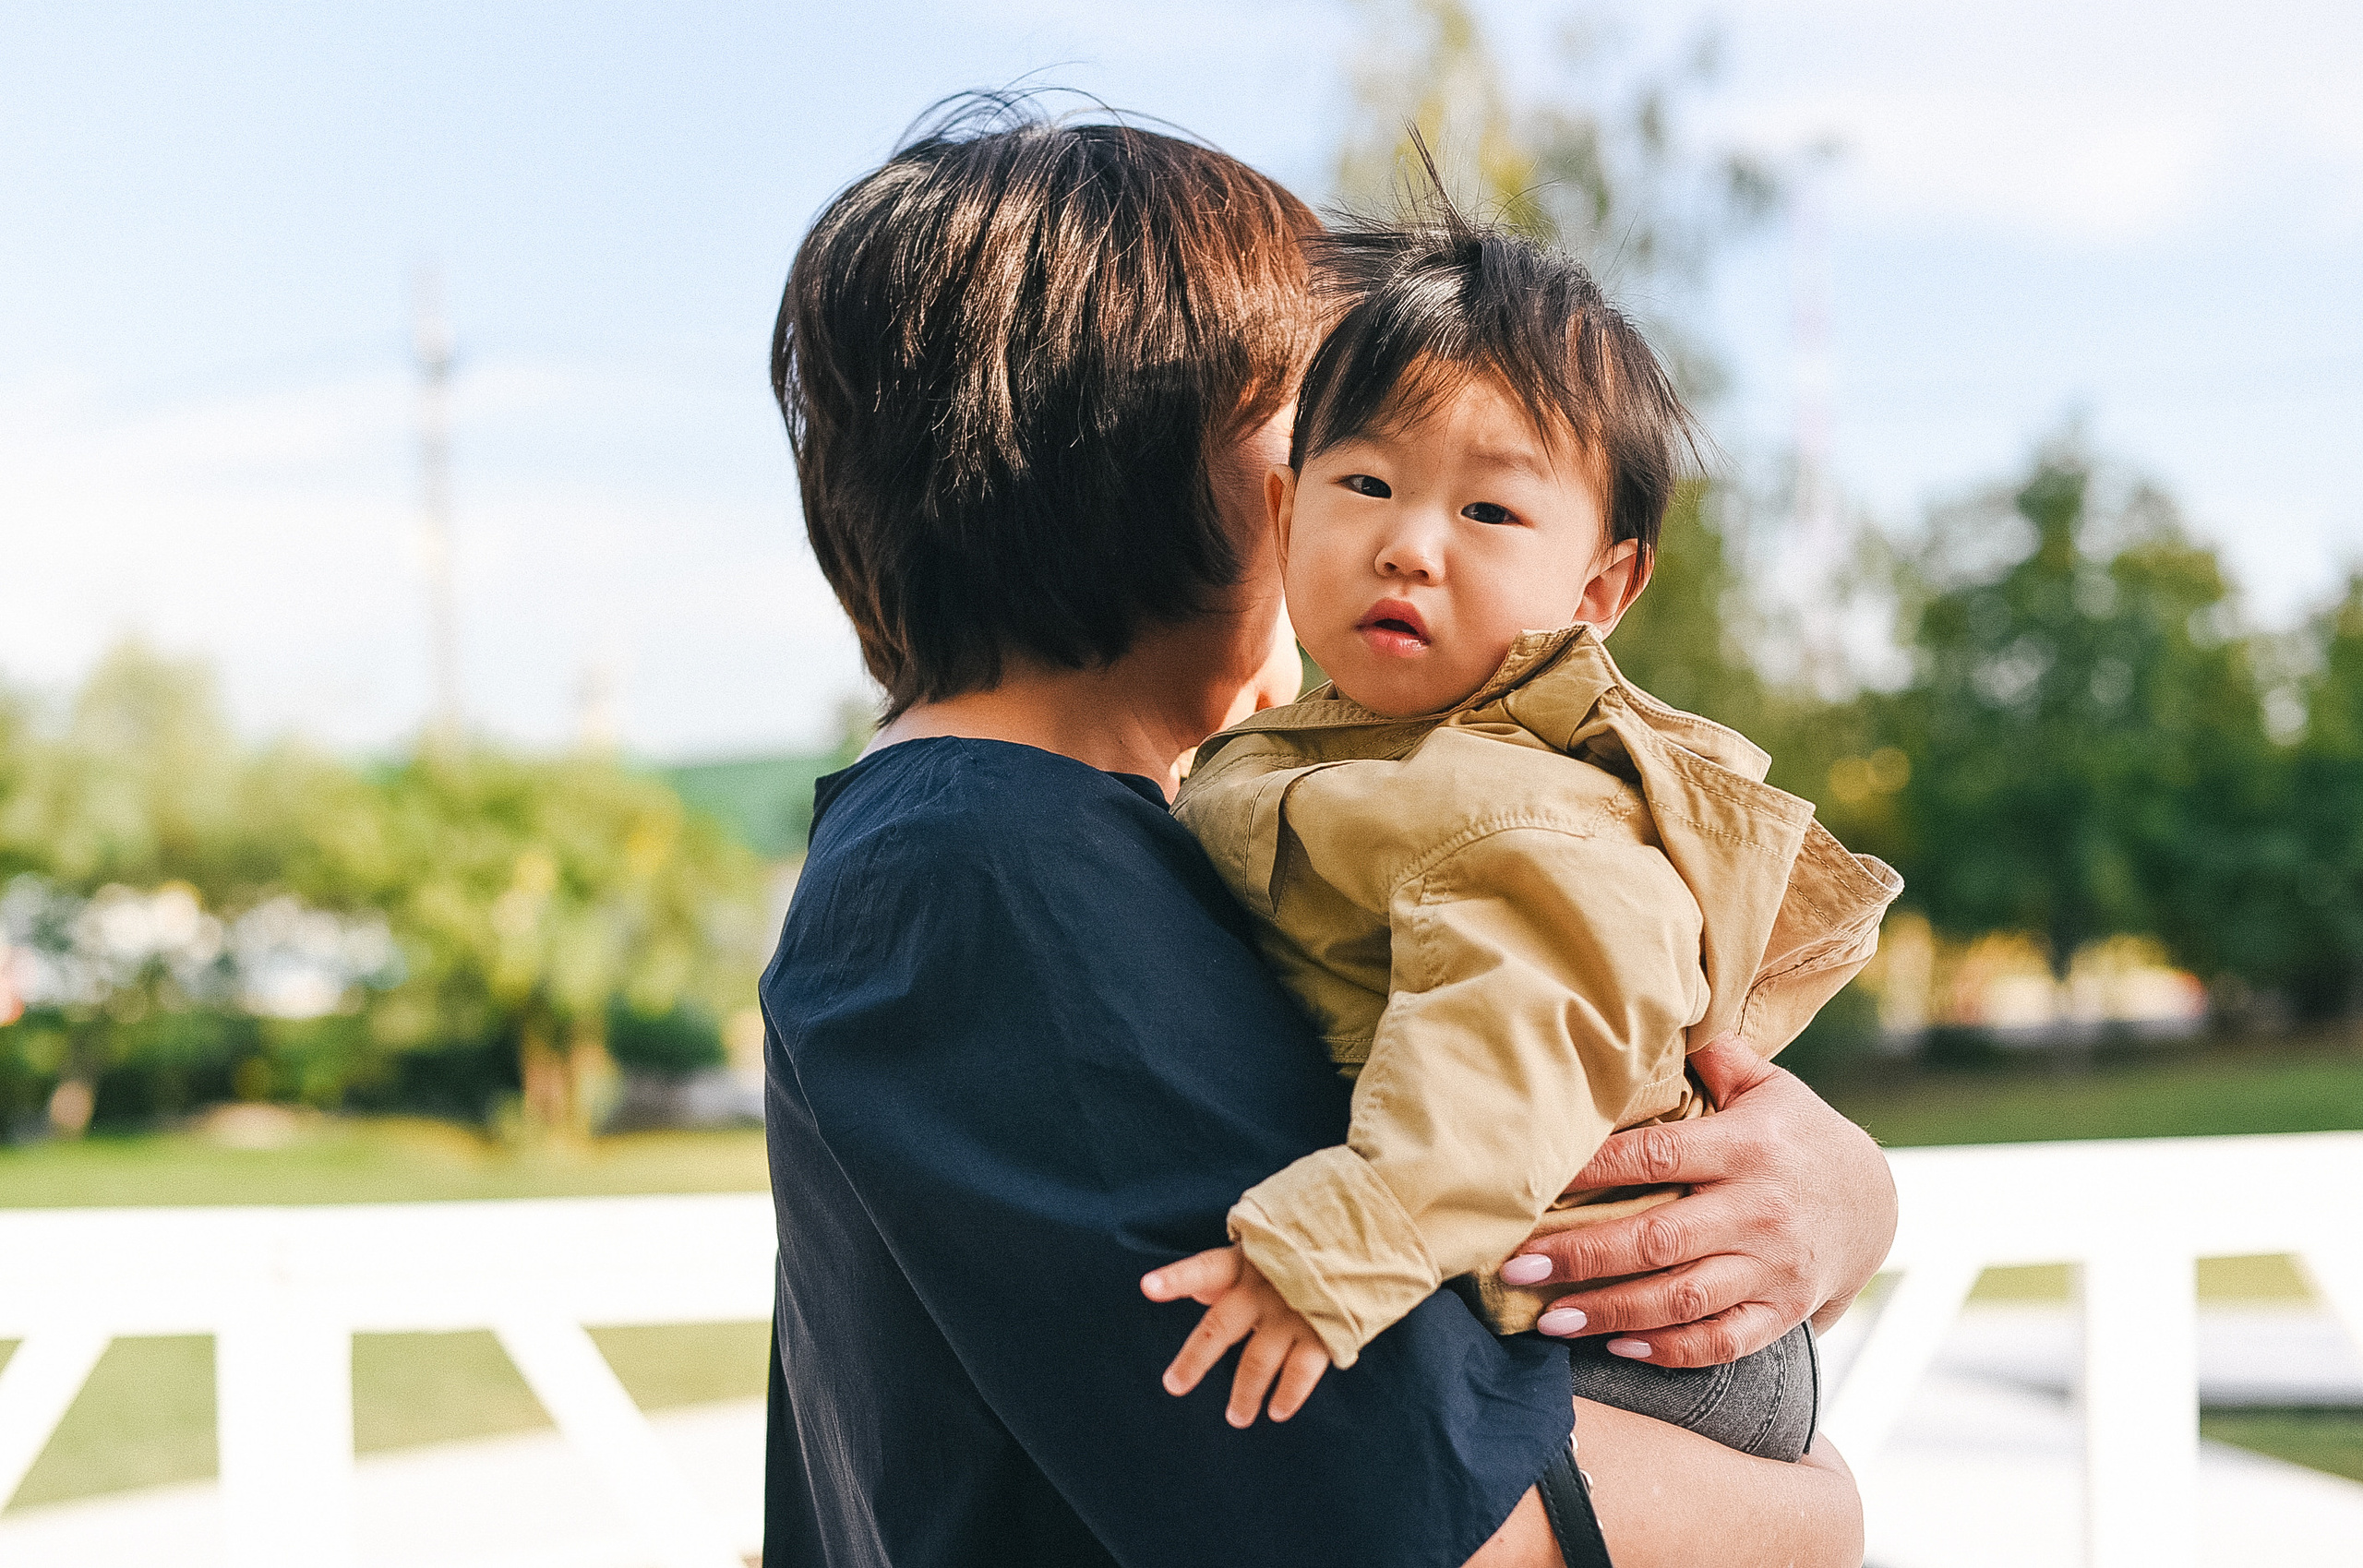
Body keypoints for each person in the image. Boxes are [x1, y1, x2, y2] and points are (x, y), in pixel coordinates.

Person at [762, 97, 1886, 1568]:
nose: (1383, 521)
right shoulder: (993, 875)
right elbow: (1420, 1517)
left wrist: (1841, 1201)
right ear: (1155, 466)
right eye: (1331, 442)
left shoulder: (1046, 849)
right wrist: (1819, 1513)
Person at [1144, 187, 1901, 1468]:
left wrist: (1349, 1233)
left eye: (1489, 512)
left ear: (1601, 588)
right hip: (1537, 1295)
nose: (1411, 545)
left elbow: (1521, 1035)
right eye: (1368, 483)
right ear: (1284, 516)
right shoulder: (1341, 747)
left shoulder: (1522, 795)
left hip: (1630, 1335)